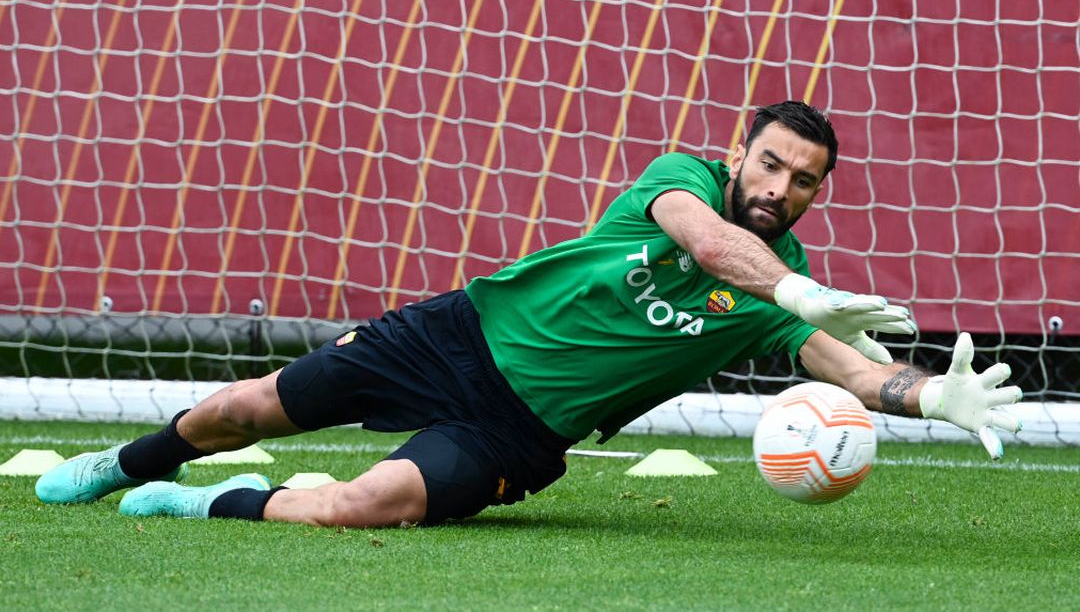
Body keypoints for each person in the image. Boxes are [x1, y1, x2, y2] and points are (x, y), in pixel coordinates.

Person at [36, 100, 1022, 527]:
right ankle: (128, 463)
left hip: (522, 429)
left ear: (816, 194)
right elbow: (710, 241)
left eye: (804, 181)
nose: (782, 186)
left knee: (368, 506)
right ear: (739, 156)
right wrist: (797, 286)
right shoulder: (681, 180)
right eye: (771, 164)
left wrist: (934, 396)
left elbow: (853, 368)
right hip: (456, 335)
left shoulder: (775, 295)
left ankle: (206, 501)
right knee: (250, 408)